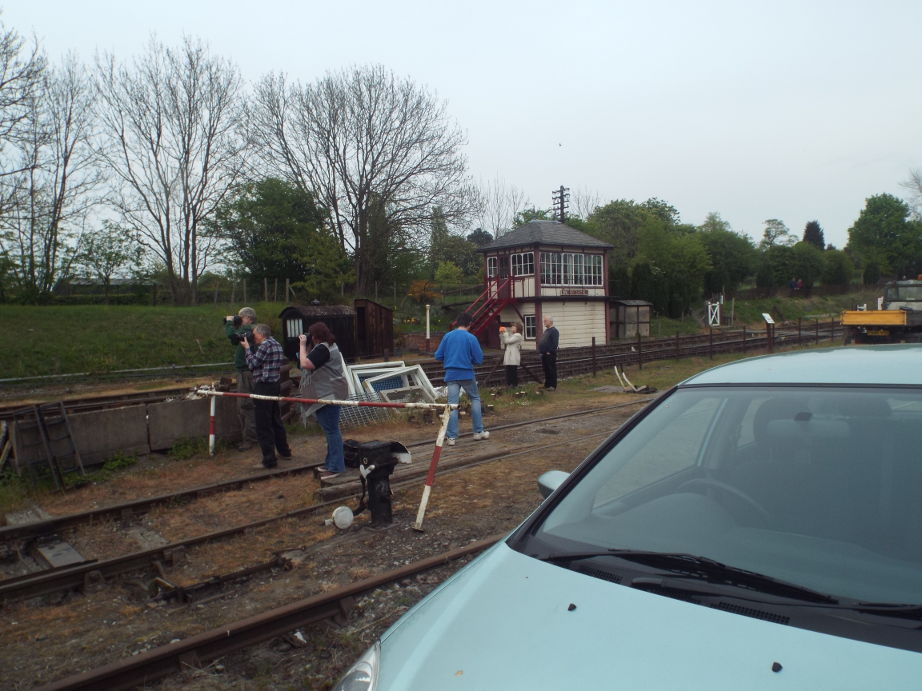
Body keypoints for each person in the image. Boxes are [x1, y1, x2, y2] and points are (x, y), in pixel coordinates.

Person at [298, 322, 349, 479]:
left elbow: (305, 363)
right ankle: (330, 463)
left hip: (329, 394)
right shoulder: (328, 346)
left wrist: (302, 344)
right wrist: (306, 348)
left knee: (332, 431)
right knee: (330, 430)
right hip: (331, 392)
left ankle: (336, 467)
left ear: (315, 336)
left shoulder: (323, 348)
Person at [241, 323, 292, 469]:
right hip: (274, 386)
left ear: (261, 334)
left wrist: (247, 349)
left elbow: (252, 364)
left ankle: (269, 460)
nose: (253, 336)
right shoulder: (276, 343)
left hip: (263, 387)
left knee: (263, 424)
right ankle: (285, 451)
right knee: (276, 420)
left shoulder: (264, 345)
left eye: (254, 333)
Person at [435, 312, 488, 446]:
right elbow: (479, 359)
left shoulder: (447, 336)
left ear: (457, 322)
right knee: (474, 398)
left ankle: (451, 437)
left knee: (452, 404)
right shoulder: (471, 338)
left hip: (451, 374)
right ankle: (478, 432)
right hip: (466, 374)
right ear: (469, 324)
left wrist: (449, 358)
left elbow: (438, 356)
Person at [224, 307, 257, 451]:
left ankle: (250, 439)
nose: (238, 318)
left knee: (246, 406)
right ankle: (251, 437)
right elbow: (233, 340)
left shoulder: (250, 328)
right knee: (246, 406)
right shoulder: (246, 330)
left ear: (248, 318)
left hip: (246, 373)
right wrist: (235, 325)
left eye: (240, 317)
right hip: (244, 372)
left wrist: (230, 323)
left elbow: (231, 335)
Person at [539, 316, 559, 390]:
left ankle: (552, 386)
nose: (544, 322)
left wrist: (549, 352)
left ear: (550, 321)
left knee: (551, 369)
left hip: (550, 354)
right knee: (546, 369)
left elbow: (555, 344)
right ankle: (547, 384)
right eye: (544, 321)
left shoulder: (554, 331)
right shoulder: (546, 331)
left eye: (545, 321)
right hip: (544, 354)